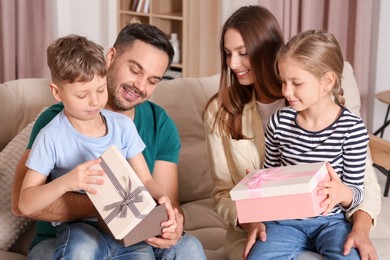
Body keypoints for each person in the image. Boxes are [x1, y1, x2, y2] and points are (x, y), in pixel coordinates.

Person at [12, 24, 206, 259]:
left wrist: (170, 222)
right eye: (135, 70)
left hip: (130, 232)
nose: (141, 86)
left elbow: (158, 193)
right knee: (83, 248)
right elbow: (21, 204)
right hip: (68, 235)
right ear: (111, 58)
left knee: (186, 247)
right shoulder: (53, 127)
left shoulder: (147, 124)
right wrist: (109, 203)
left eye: (153, 80)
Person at [203, 5, 381, 260]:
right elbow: (228, 189)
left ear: (270, 54)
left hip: (331, 221)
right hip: (274, 224)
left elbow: (362, 184)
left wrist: (360, 228)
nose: (233, 63)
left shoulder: (326, 107)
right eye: (227, 54)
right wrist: (252, 206)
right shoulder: (225, 112)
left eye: (243, 53)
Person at [248, 29, 369, 259]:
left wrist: (342, 192)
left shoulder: (351, 130)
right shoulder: (280, 122)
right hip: (284, 221)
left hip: (332, 222)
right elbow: (270, 172)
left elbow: (357, 191)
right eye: (283, 81)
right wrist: (257, 183)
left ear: (327, 82)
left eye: (297, 83)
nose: (286, 91)